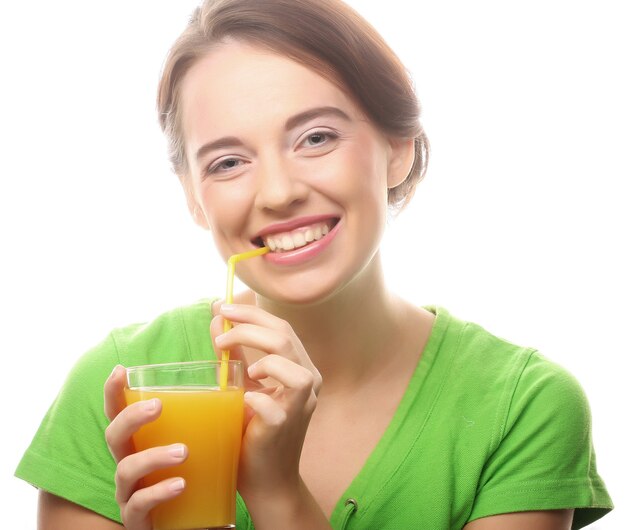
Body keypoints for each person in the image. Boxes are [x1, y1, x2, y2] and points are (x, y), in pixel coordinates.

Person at [16, 0, 613, 528]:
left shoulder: (523, 407)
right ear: (193, 196)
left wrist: (277, 496)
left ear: (397, 150)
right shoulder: (123, 382)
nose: (277, 192)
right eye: (227, 162)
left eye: (317, 138)